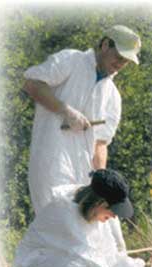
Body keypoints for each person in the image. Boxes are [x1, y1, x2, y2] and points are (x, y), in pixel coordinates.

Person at [23, 25, 141, 215]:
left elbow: (100, 144)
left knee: (81, 231)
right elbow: (32, 84)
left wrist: (101, 180)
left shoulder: (112, 96)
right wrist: (66, 111)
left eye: (126, 61)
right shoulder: (71, 60)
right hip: (52, 159)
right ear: (104, 45)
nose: (120, 64)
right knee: (54, 222)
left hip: (84, 172)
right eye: (119, 56)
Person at [11, 169, 152, 267]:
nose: (114, 215)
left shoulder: (96, 216)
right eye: (112, 210)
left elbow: (110, 256)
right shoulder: (63, 211)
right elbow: (94, 261)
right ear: (99, 202)